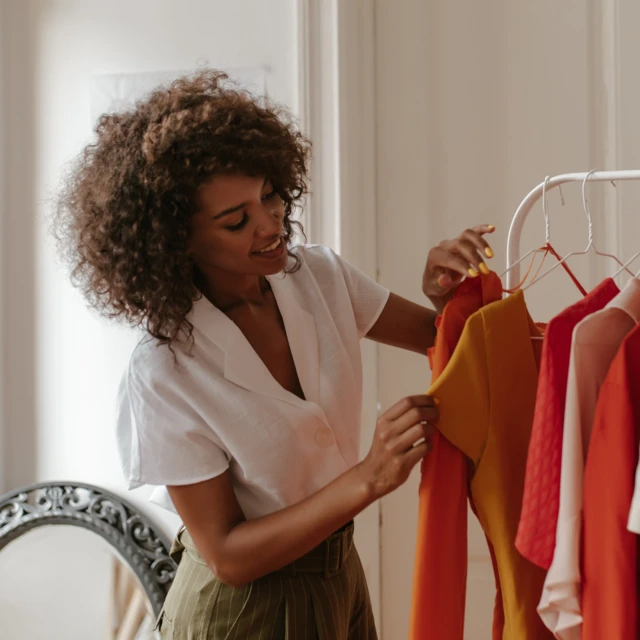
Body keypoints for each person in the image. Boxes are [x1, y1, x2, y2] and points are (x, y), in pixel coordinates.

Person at [53, 69, 495, 639]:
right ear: (175, 239)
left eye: (270, 195)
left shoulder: (320, 277)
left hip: (339, 579)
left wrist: (443, 292)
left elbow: (446, 341)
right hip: (242, 612)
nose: (270, 225)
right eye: (237, 221)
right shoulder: (164, 371)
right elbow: (228, 557)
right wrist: (368, 477)